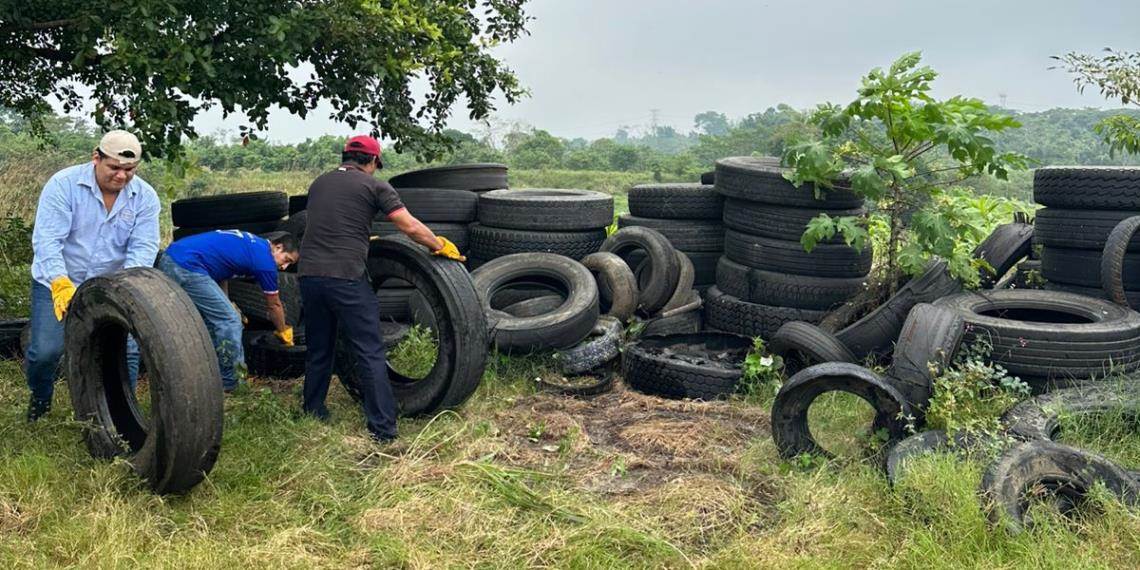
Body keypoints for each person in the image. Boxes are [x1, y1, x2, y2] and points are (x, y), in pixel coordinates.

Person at [299, 135, 464, 442]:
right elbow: (409, 226)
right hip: (346, 277)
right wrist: (438, 244)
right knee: (370, 351)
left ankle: (313, 409)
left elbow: (335, 221)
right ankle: (383, 430)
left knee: (320, 347)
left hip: (309, 276)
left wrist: (362, 238)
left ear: (345, 156)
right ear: (373, 161)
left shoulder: (320, 183)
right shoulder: (375, 186)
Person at [26, 130, 161, 421]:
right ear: (96, 157)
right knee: (45, 352)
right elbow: (47, 240)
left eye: (129, 170)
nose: (122, 177)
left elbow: (144, 246)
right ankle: (40, 402)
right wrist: (60, 282)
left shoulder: (145, 197)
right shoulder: (63, 185)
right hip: (59, 279)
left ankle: (120, 417)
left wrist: (128, 289)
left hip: (111, 286)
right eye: (114, 168)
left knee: (128, 351)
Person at [158, 230, 300, 392]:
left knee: (217, 320)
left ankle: (207, 376)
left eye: (289, 265)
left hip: (175, 257)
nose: (284, 267)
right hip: (186, 265)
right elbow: (274, 305)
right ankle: (232, 384)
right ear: (278, 247)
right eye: (286, 260)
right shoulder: (265, 262)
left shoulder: (254, 244)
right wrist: (283, 331)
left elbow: (221, 271)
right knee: (230, 321)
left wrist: (226, 302)